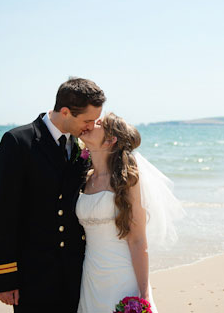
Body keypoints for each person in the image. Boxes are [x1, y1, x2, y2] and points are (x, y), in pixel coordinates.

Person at [0, 77, 105, 312]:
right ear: (65, 111)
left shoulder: (82, 145)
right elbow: (3, 213)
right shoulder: (18, 142)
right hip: (34, 274)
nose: (91, 126)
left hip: (76, 272)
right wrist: (4, 276)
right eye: (87, 120)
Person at [76, 112, 184, 313]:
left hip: (122, 275)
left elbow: (137, 241)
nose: (90, 123)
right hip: (90, 276)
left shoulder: (127, 181)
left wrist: (144, 295)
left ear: (110, 139)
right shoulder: (85, 177)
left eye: (98, 122)